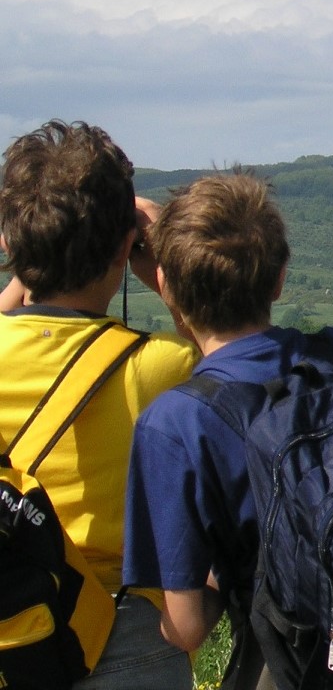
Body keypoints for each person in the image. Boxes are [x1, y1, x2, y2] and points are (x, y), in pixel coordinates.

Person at [122, 170, 333, 690]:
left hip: (288, 667)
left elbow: (187, 628)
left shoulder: (174, 423)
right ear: (280, 279)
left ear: (164, 284)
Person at [0, 119, 198, 689]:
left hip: (11, 628)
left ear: (11, 244)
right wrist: (168, 264)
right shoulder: (155, 368)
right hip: (121, 634)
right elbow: (230, 355)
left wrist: (27, 260)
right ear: (123, 249)